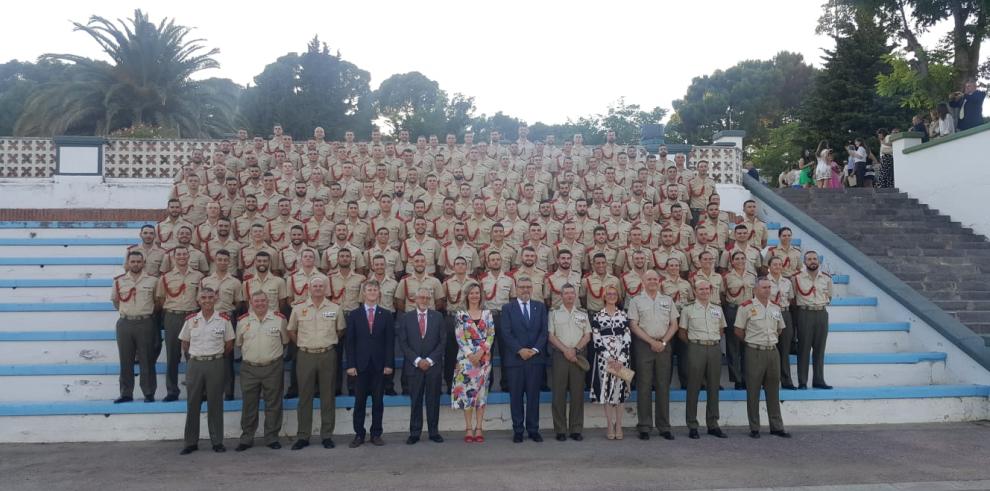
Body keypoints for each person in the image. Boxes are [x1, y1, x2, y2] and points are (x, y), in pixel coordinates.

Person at [287, 277, 345, 450]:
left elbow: (340, 330)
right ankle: (303, 435)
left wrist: (325, 341)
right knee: (305, 396)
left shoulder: (335, 308)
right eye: (315, 286)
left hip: (327, 354)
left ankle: (327, 435)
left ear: (326, 289)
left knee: (327, 396)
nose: (318, 289)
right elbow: (291, 330)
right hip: (305, 356)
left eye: (321, 286)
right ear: (309, 289)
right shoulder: (298, 309)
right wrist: (304, 343)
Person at [178, 288, 235, 454]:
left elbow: (229, 344)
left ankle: (217, 441)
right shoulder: (191, 320)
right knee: (193, 403)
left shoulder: (223, 320)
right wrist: (194, 358)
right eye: (204, 297)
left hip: (215, 363)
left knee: (215, 403)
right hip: (195, 364)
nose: (207, 300)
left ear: (216, 299)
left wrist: (215, 357)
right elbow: (185, 343)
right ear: (198, 300)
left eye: (210, 297)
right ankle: (190, 442)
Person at [734, 277, 791, 439]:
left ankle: (777, 426)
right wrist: (753, 341)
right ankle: (754, 427)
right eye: (764, 287)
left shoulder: (775, 308)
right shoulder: (746, 307)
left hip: (772, 351)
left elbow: (779, 329)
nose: (767, 290)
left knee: (773, 390)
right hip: (754, 351)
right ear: (756, 290)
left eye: (769, 287)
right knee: (753, 390)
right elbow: (738, 330)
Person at [628, 270, 679, 441]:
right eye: (649, 279)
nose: (652, 281)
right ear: (643, 281)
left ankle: (664, 426)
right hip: (644, 345)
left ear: (659, 281)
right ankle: (644, 426)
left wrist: (663, 342)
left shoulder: (667, 300)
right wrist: (651, 341)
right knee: (644, 386)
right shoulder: (636, 301)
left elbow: (674, 324)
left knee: (663, 385)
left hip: (664, 345)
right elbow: (633, 325)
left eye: (655, 279)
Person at [235, 291, 288, 452]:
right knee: (249, 404)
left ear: (268, 301)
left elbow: (284, 341)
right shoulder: (243, 321)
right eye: (256, 301)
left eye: (263, 301)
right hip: (249, 368)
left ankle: (272, 437)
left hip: (272, 367)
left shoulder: (279, 319)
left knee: (273, 403)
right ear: (251, 302)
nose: (260, 304)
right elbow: (239, 343)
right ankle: (247, 437)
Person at [345, 280, 395, 447]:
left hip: (379, 366)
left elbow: (389, 342)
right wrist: (350, 365)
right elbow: (350, 342)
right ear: (364, 293)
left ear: (379, 293)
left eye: (375, 289)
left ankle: (376, 434)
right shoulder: (354, 315)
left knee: (378, 402)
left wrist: (389, 364)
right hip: (360, 366)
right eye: (369, 289)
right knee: (359, 402)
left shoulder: (386, 314)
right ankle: (359, 434)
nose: (373, 292)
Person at [500, 276, 549, 443]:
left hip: (535, 359)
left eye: (528, 286)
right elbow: (506, 333)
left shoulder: (540, 307)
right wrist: (520, 350)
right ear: (516, 289)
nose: (525, 290)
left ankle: (533, 429)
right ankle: (518, 430)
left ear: (532, 288)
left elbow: (544, 332)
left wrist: (534, 350)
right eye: (522, 287)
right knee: (516, 397)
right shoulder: (507, 308)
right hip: (515, 360)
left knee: (534, 396)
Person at [679, 280, 728, 439]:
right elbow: (682, 333)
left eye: (707, 288)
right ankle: (692, 425)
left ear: (711, 290)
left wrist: (710, 341)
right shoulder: (688, 309)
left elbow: (721, 330)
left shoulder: (717, 309)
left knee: (713, 387)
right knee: (693, 387)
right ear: (695, 290)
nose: (704, 291)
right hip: (696, 347)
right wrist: (696, 344)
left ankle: (713, 424)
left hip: (714, 348)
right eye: (701, 289)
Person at [396, 288, 446, 445]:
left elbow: (442, 341)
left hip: (433, 366)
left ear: (430, 300)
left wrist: (430, 360)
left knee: (433, 400)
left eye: (427, 297)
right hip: (414, 367)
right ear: (415, 299)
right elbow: (403, 343)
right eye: (421, 297)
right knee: (416, 400)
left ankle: (433, 432)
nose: (424, 300)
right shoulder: (406, 318)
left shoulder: (438, 317)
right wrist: (417, 360)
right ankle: (415, 433)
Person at [156, 245, 204, 401]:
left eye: (185, 254)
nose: (182, 257)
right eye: (179, 254)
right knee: (173, 355)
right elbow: (161, 298)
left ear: (189, 256)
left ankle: (196, 390)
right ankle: (172, 391)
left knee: (194, 355)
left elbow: (201, 298)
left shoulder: (198, 277)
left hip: (192, 316)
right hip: (173, 316)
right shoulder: (165, 278)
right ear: (173, 257)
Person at [112, 251, 160, 403]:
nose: (136, 264)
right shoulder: (119, 281)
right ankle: (126, 393)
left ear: (143, 263)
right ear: (128, 263)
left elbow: (158, 301)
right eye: (132, 261)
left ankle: (149, 392)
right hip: (125, 323)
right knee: (125, 359)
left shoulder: (153, 281)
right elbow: (116, 301)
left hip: (145, 322)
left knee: (147, 359)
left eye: (139, 262)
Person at [451, 282, 495, 443]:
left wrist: (481, 352)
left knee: (481, 393)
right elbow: (459, 336)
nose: (475, 296)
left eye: (477, 293)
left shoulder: (487, 314)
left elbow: (491, 334)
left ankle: (479, 428)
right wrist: (471, 355)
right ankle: (469, 428)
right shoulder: (460, 314)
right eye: (472, 293)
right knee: (467, 393)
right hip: (466, 360)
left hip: (484, 359)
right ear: (467, 296)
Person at [548, 283, 592, 442]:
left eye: (571, 293)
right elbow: (551, 335)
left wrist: (575, 350)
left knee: (577, 394)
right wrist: (566, 350)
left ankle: (575, 429)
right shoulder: (553, 313)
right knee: (558, 394)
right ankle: (560, 429)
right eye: (566, 293)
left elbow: (587, 335)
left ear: (575, 296)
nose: (569, 296)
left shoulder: (582, 313)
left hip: (578, 356)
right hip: (560, 356)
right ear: (561, 295)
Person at [589, 285, 631, 440]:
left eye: (614, 294)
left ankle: (619, 425)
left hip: (622, 359)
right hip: (604, 360)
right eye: (609, 294)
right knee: (606, 393)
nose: (612, 296)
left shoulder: (623, 315)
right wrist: (609, 358)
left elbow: (627, 337)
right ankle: (609, 425)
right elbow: (596, 339)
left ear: (618, 296)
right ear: (604, 297)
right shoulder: (598, 316)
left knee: (620, 394)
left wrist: (620, 359)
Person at [794, 251, 834, 390]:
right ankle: (803, 381)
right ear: (804, 262)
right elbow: (793, 298)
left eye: (815, 259)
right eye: (809, 259)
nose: (812, 261)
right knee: (804, 348)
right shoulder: (797, 278)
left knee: (820, 348)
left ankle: (819, 379)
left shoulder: (827, 278)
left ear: (819, 261)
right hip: (805, 313)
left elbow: (830, 296)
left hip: (821, 313)